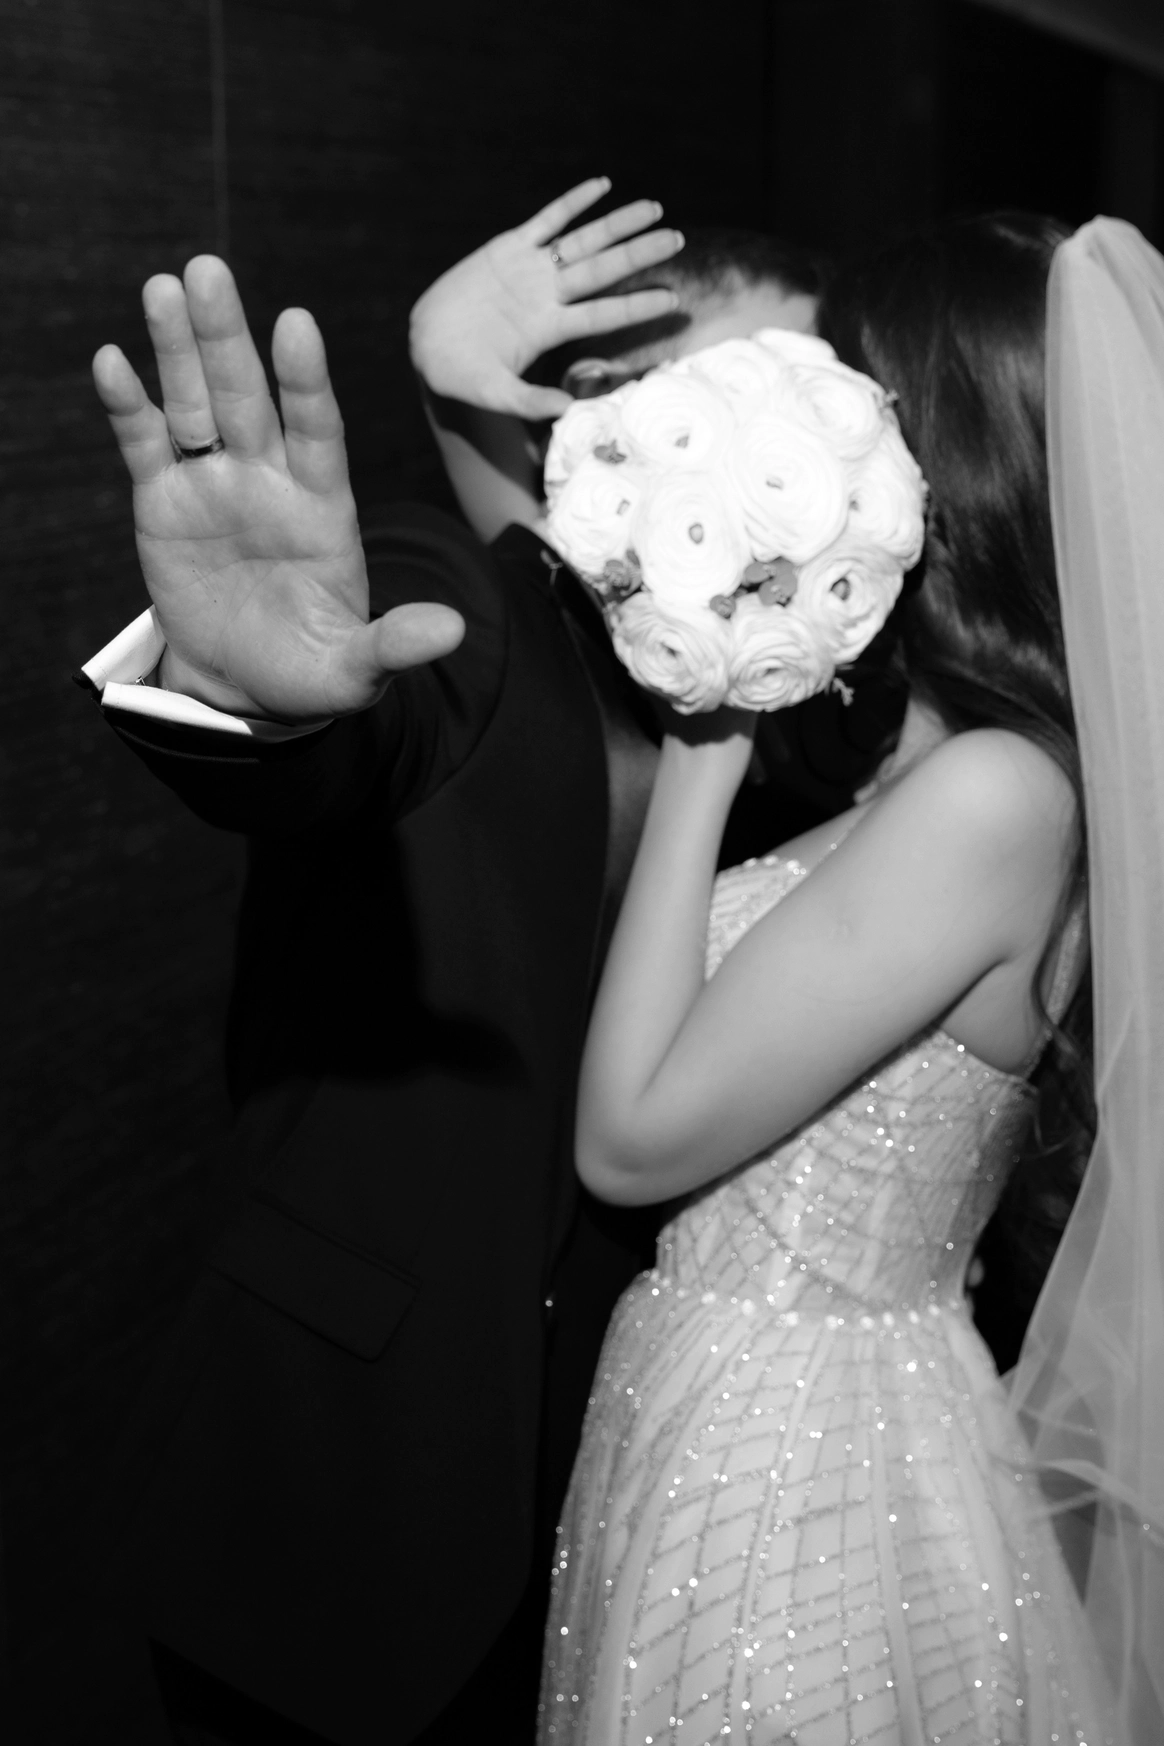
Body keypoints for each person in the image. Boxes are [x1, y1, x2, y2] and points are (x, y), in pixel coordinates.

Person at [81, 182, 868, 1746]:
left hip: (610, 1526)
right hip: (325, 1501)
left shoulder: (790, 741)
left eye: (806, 436)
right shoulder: (473, 615)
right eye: (726, 410)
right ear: (608, 416)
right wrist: (259, 697)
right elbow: (355, 725)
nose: (761, 489)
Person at [539, 212, 1164, 1744]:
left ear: (932, 473)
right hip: (754, 1405)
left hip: (798, 1470)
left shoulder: (996, 798)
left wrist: (702, 759)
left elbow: (627, 1136)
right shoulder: (933, 761)